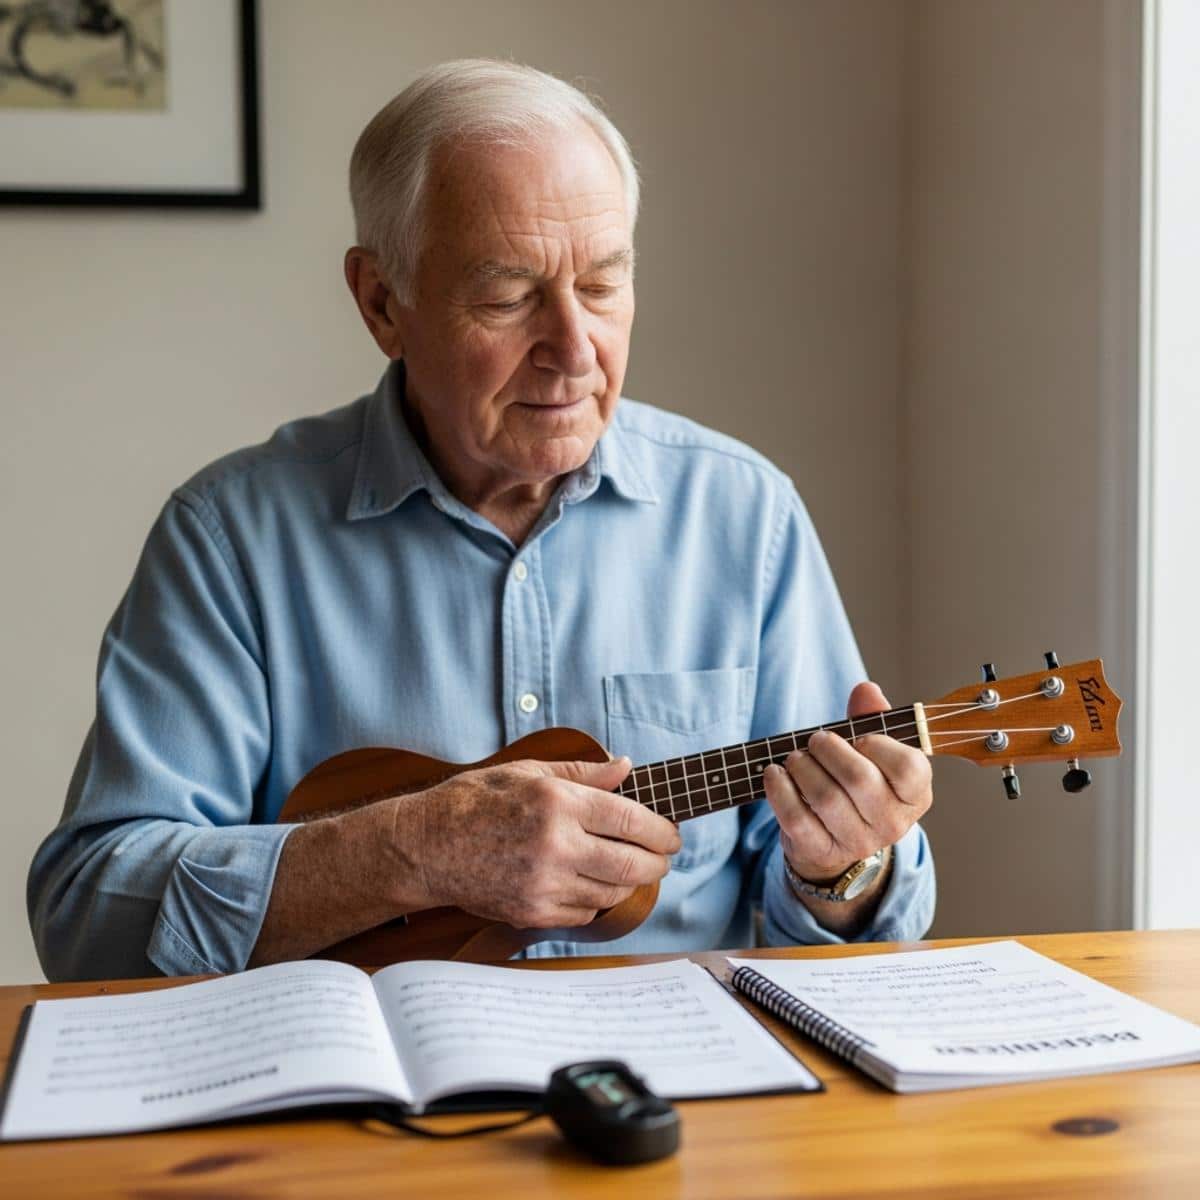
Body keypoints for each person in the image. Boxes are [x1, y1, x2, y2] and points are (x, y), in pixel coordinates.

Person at [28, 59, 935, 981]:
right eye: (508, 297)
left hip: (678, 1098)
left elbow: (850, 937)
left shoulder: (745, 516)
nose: (574, 350)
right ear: (383, 302)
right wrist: (409, 849)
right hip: (349, 1101)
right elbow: (87, 916)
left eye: (603, 286)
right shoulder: (231, 538)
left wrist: (842, 869)